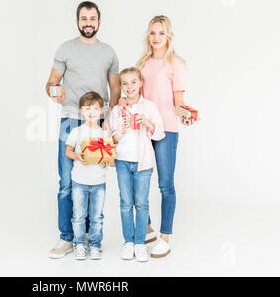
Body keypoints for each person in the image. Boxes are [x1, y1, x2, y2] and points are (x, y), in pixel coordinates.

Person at [46, 1, 120, 259]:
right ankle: (67, 238)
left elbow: (116, 89)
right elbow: (51, 84)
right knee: (67, 182)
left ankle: (88, 237)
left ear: (99, 22)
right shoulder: (65, 49)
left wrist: (109, 118)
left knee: (93, 179)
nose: (88, 22)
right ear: (77, 21)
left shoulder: (109, 53)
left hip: (98, 122)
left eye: (92, 18)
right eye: (83, 18)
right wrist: (56, 93)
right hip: (70, 119)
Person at [119, 15, 194, 258]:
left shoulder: (176, 64)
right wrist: (121, 99)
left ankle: (165, 236)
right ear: (148, 36)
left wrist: (186, 113)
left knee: (165, 184)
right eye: (152, 33)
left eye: (161, 33)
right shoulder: (142, 64)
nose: (156, 38)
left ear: (168, 36)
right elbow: (131, 92)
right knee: (140, 179)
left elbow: (178, 102)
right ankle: (147, 228)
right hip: (141, 129)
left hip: (167, 130)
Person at [109, 67, 164, 262]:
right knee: (125, 203)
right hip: (123, 161)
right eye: (125, 83)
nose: (129, 87)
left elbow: (160, 134)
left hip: (143, 163)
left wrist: (148, 123)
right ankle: (128, 242)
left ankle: (140, 242)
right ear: (121, 87)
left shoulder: (149, 107)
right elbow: (111, 139)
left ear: (141, 83)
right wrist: (119, 132)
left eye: (133, 82)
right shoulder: (117, 109)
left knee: (141, 203)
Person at [65, 92, 111, 260]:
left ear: (101, 111)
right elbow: (68, 151)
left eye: (95, 108)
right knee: (78, 215)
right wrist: (78, 156)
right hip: (79, 181)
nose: (91, 112)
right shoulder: (77, 131)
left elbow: (108, 156)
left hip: (99, 181)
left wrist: (107, 161)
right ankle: (79, 244)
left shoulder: (104, 134)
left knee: (97, 216)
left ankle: (95, 245)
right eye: (87, 108)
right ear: (81, 111)